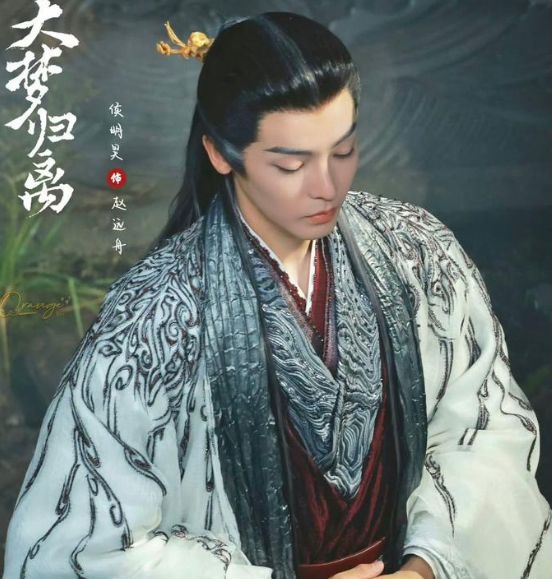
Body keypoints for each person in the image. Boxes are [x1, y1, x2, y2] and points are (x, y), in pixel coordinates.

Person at [3, 11, 551, 579]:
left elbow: (484, 429)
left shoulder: (416, 253)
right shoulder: (153, 317)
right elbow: (84, 549)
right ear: (221, 153)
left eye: (343, 151)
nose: (327, 187)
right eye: (291, 163)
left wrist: (425, 568)